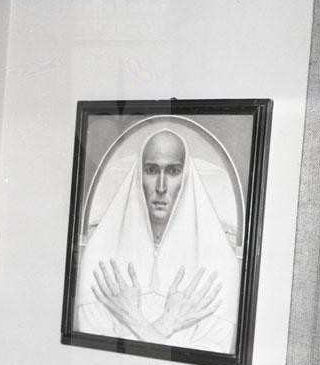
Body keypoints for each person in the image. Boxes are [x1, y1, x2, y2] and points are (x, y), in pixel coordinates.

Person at [75, 128, 240, 353]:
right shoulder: (99, 259)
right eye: (152, 170)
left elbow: (210, 361)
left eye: (173, 171)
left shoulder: (219, 266)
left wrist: (135, 320)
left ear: (186, 177)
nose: (161, 187)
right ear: (138, 175)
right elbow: (92, 355)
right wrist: (167, 325)